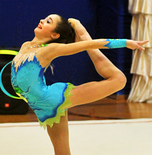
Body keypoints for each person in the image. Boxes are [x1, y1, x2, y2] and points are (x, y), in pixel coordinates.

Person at [11, 14, 148, 155]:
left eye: (48, 21)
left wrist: (126, 42)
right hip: (42, 107)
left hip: (53, 98)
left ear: (55, 34)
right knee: (62, 152)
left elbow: (94, 44)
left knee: (119, 80)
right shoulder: (26, 45)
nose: (41, 20)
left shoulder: (49, 50)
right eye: (45, 19)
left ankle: (83, 34)